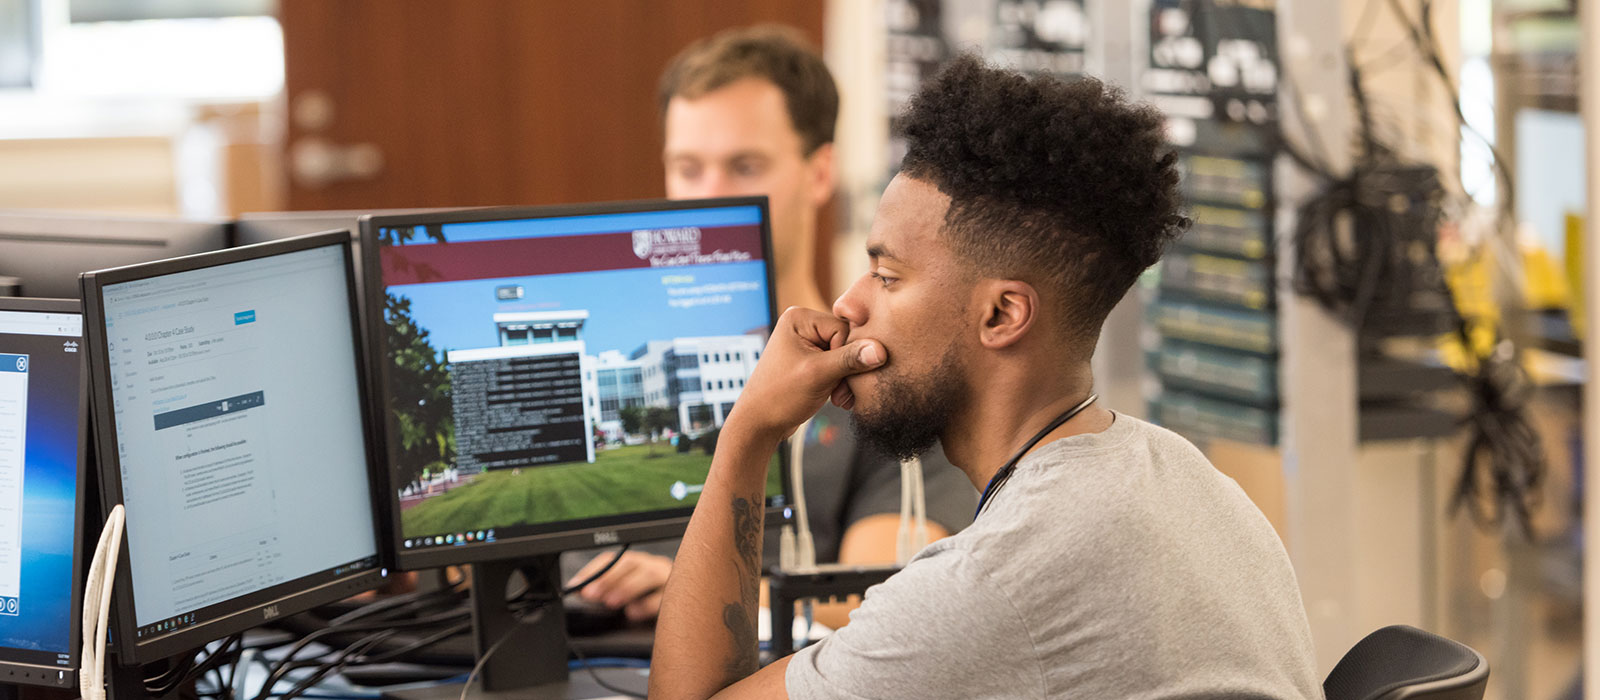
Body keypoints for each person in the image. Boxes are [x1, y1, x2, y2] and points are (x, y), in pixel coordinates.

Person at [648, 54, 1321, 699]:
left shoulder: (991, 586)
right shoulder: (1187, 475)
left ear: (1002, 314)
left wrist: (749, 431)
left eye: (887, 276)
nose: (850, 304)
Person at [565, 25, 976, 625]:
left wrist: (689, 593)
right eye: (687, 168)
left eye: (744, 165)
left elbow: (886, 603)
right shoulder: (603, 365)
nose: (710, 200)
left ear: (818, 172)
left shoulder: (881, 374)